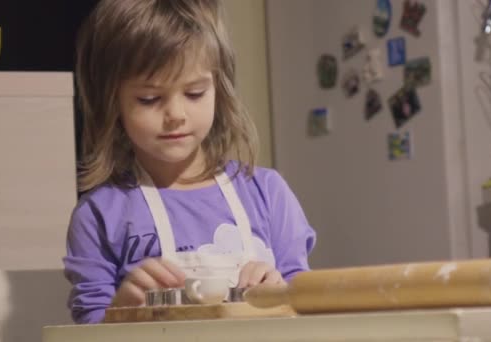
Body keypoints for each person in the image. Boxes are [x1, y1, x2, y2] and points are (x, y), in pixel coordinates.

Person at [64, 0, 316, 324]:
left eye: (195, 93)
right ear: (111, 103)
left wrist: (280, 293)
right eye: (149, 99)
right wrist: (120, 314)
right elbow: (87, 330)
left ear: (219, 91)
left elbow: (306, 304)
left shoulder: (267, 193)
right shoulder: (98, 216)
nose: (176, 116)